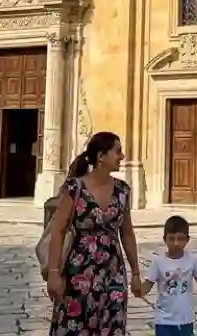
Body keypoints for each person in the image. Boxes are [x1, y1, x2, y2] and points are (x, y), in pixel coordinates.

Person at [45, 131, 143, 336]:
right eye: (118, 151)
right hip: (78, 272)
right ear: (101, 156)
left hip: (113, 273)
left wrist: (135, 272)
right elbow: (59, 230)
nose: (122, 156)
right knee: (75, 327)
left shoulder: (123, 190)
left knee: (112, 327)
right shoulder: (75, 188)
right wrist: (54, 273)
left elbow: (127, 234)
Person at [140, 215, 197, 336]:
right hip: (164, 320)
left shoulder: (192, 260)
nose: (176, 243)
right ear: (165, 239)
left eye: (180, 239)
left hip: (185, 319)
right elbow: (146, 286)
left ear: (187, 239)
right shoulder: (158, 262)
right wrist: (137, 289)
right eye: (172, 239)